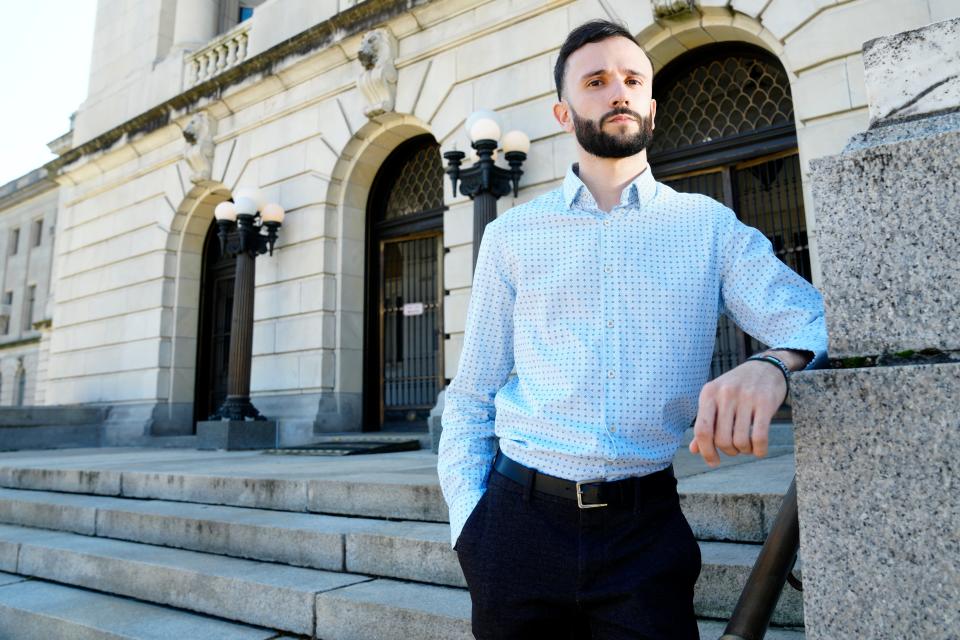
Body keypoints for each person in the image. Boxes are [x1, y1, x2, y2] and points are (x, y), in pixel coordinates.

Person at [437, 19, 827, 640]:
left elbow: (810, 320)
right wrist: (471, 527)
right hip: (517, 527)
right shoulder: (510, 235)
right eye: (596, 80)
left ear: (650, 105)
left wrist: (772, 363)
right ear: (564, 113)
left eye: (631, 79)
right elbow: (471, 395)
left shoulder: (708, 226)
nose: (617, 90)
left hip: (645, 533)